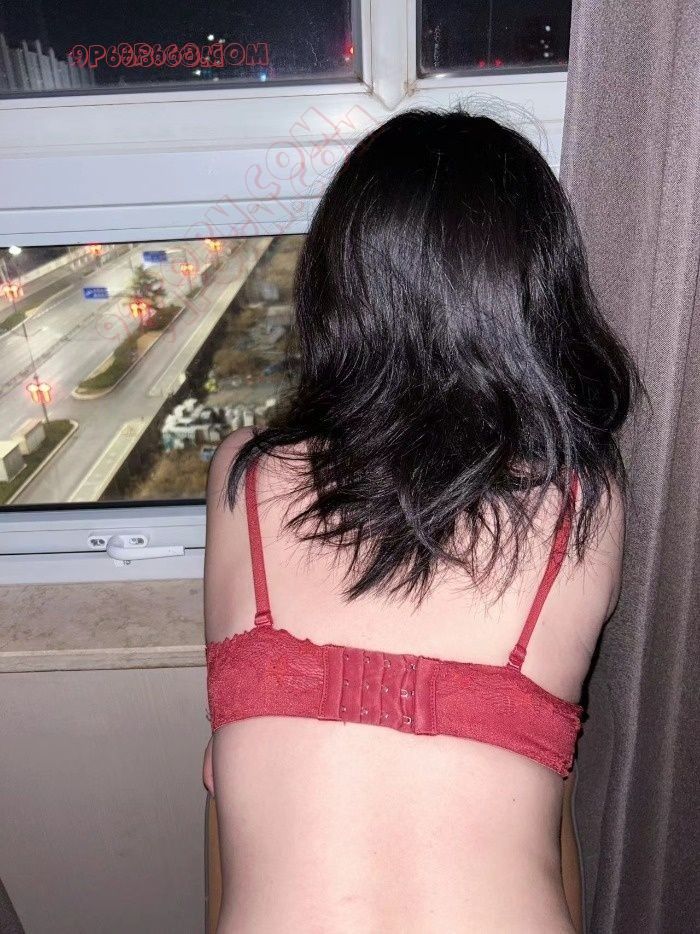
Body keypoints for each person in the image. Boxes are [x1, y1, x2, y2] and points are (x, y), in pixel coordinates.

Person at [202, 107, 641, 933]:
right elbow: (547, 798)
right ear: (537, 289)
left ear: (338, 281)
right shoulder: (586, 500)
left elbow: (225, 786)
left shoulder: (246, 478)